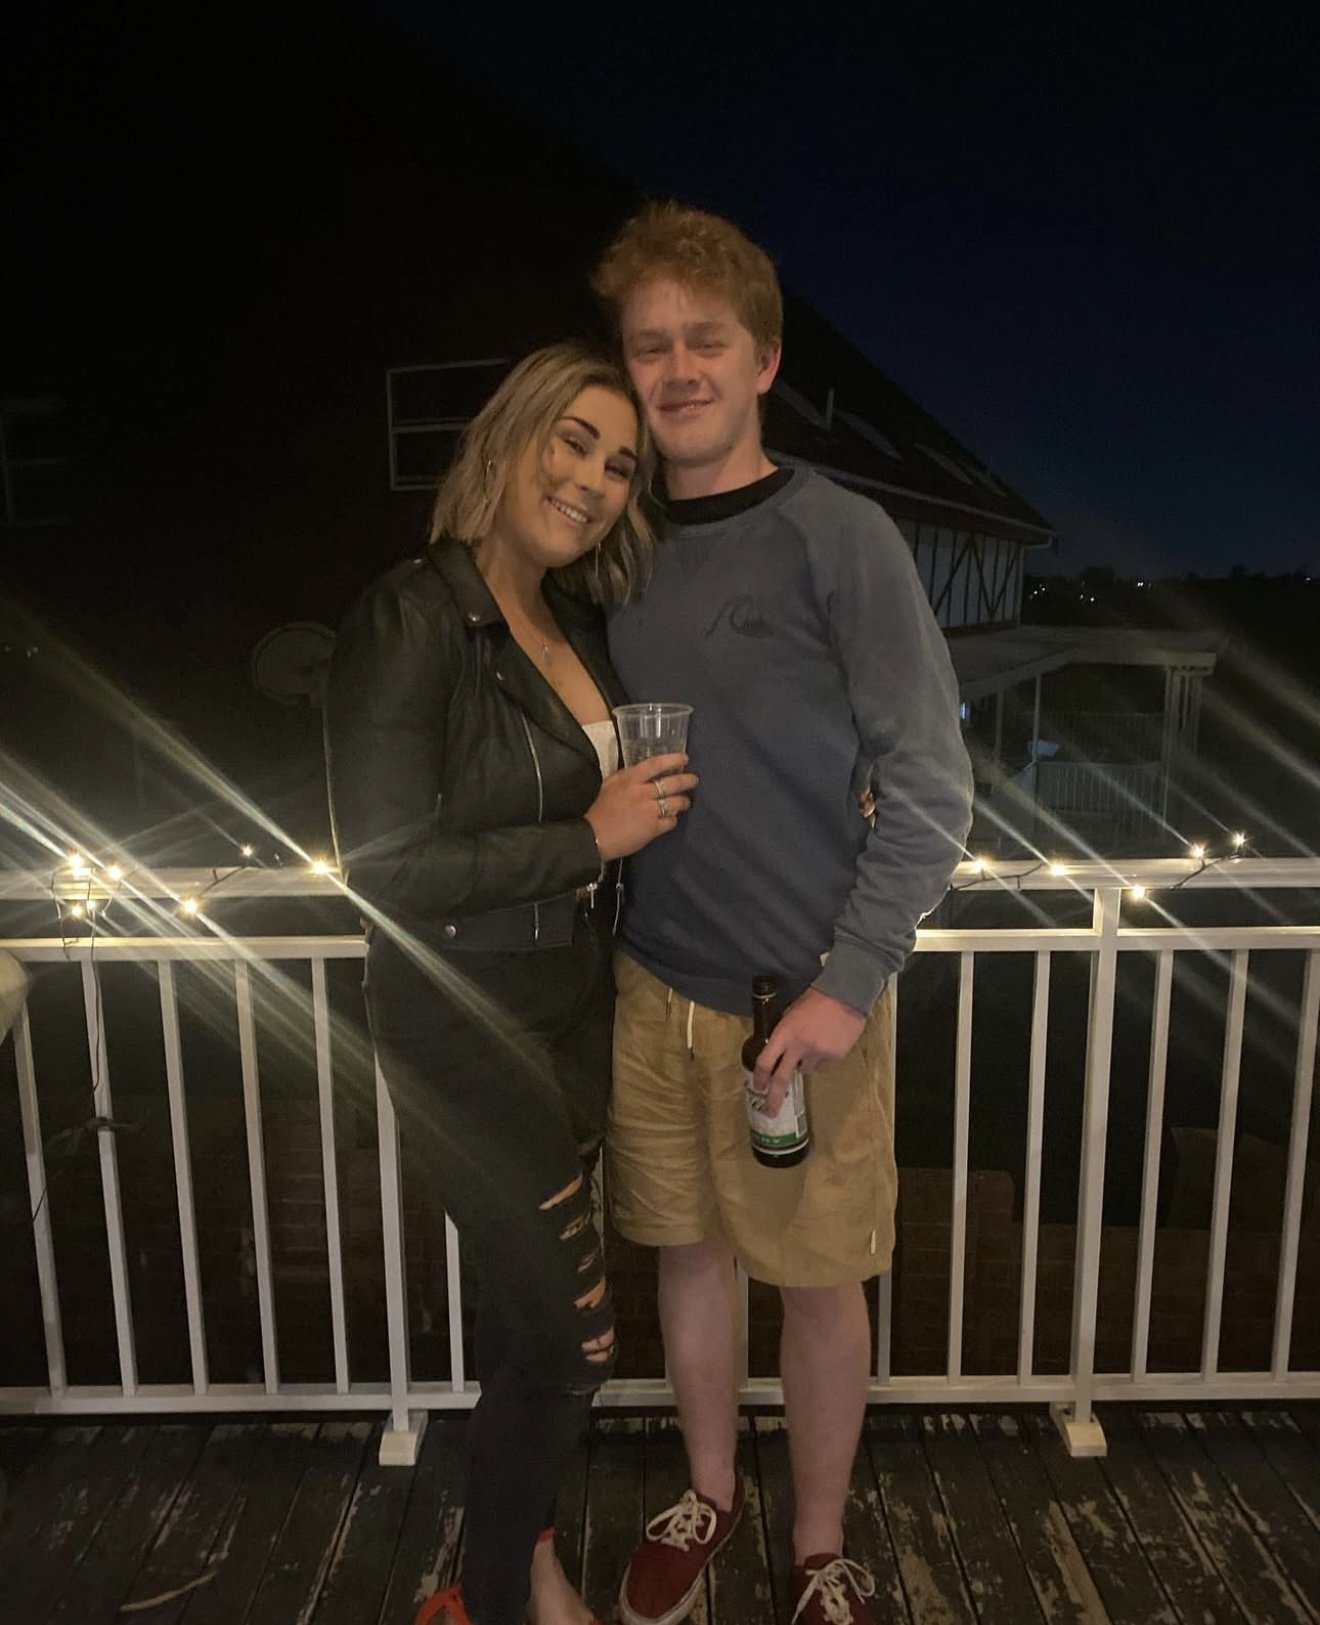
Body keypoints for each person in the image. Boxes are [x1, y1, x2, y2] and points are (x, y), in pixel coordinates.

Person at [592, 205, 974, 1625]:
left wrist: (849, 979)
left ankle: (817, 1546)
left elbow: (933, 786)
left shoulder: (840, 535)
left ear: (764, 359)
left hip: (800, 1000)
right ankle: (712, 1490)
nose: (677, 368)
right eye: (650, 346)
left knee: (817, 1282)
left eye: (707, 341)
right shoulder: (614, 547)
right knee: (688, 1257)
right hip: (653, 982)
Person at [324, 342, 698, 1625]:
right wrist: (588, 838)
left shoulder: (573, 618)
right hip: (460, 1017)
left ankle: (515, 1563)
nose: (592, 479)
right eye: (571, 441)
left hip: (567, 1004)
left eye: (619, 464)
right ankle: (495, 1596)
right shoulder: (410, 617)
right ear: (507, 437)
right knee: (578, 1338)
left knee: (527, 1328)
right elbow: (382, 868)